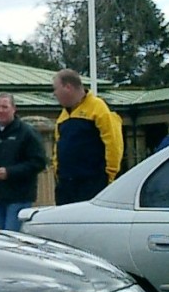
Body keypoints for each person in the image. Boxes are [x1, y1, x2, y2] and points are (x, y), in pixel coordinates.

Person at [0, 93, 48, 231]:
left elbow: (38, 162)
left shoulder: (27, 133)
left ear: (14, 109)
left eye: (5, 107)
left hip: (19, 196)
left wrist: (10, 172)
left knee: (11, 237)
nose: (1, 111)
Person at [51, 69, 123, 205]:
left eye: (55, 89)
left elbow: (114, 143)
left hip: (92, 183)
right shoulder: (63, 116)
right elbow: (57, 148)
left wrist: (109, 176)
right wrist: (58, 173)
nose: (54, 94)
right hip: (66, 185)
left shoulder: (98, 108)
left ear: (68, 87)